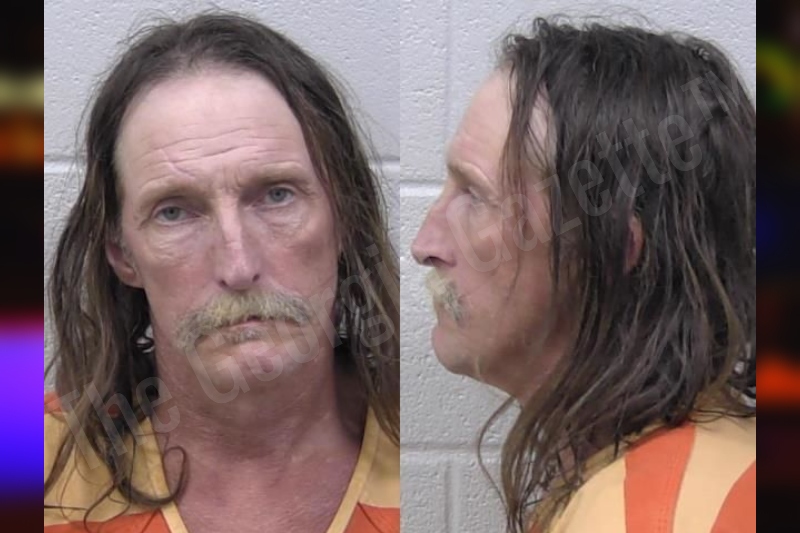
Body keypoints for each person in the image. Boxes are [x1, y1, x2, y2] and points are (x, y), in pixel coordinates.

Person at [44, 13, 399, 533]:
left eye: (277, 195)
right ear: (122, 253)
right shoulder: (31, 460)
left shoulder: (414, 443)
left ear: (344, 215)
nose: (238, 266)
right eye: (174, 212)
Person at [411, 18, 755, 533]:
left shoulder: (646, 517)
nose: (424, 245)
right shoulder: (712, 465)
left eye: (474, 196)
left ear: (610, 249)